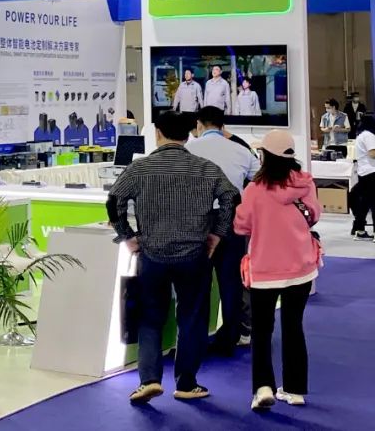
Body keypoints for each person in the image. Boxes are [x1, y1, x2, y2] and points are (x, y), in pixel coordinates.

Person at [106, 110, 239, 404]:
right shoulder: (206, 168)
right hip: (194, 254)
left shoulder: (140, 168)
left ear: (158, 134)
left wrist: (127, 236)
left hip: (152, 253)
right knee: (192, 317)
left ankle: (149, 380)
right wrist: (217, 234)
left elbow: (114, 201)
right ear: (189, 134)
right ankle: (186, 383)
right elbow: (231, 198)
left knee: (149, 317)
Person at [233, 130, 321, 411]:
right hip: (301, 267)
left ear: (265, 156)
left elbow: (241, 226)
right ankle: (295, 390)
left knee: (261, 331)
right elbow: (314, 216)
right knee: (294, 327)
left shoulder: (255, 190)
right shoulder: (305, 183)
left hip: (264, 269)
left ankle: (263, 388)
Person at [187, 107, 256, 356]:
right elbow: (259, 181)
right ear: (222, 125)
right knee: (231, 281)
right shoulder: (241, 150)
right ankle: (230, 338)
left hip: (198, 220)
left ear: (199, 124)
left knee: (197, 281)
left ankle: (196, 338)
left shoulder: (188, 149)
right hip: (232, 220)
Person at [350, 113, 375, 240]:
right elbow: (372, 154)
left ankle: (359, 229)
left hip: (363, 172)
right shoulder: (369, 136)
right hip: (371, 172)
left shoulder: (361, 135)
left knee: (364, 203)